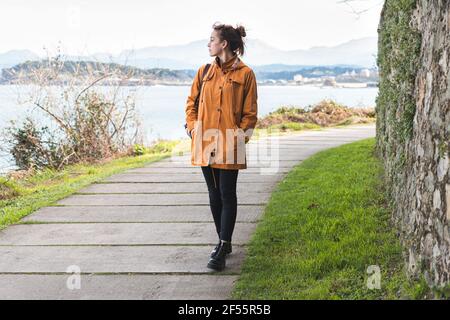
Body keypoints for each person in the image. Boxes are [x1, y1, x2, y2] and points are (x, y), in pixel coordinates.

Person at [184, 22, 258, 271]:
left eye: (212, 39)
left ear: (224, 44)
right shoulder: (204, 71)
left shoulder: (246, 74)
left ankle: (222, 245)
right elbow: (190, 104)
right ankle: (223, 243)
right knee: (214, 194)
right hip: (204, 142)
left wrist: (240, 138)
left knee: (227, 193)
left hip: (230, 143)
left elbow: (250, 114)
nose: (209, 43)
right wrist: (193, 128)